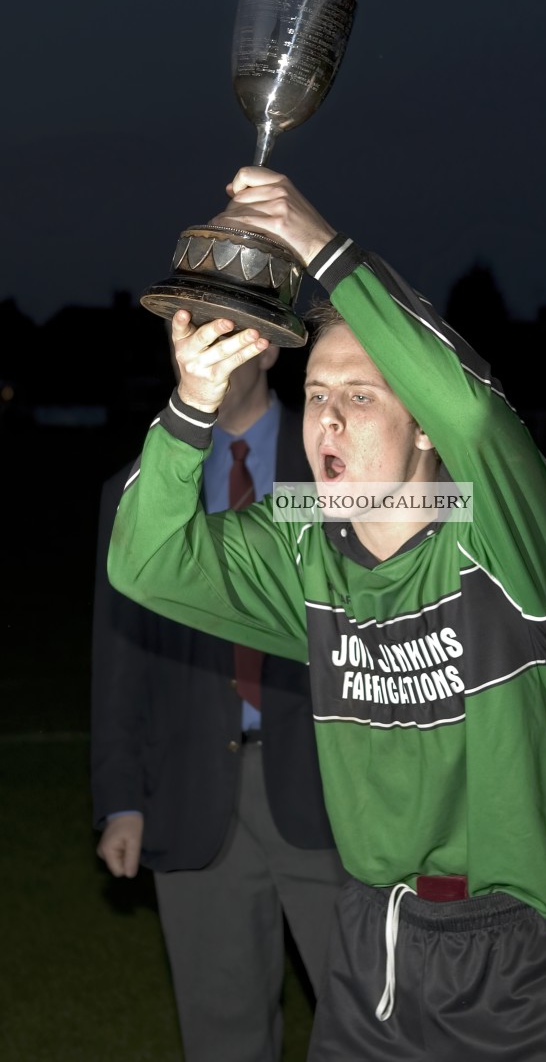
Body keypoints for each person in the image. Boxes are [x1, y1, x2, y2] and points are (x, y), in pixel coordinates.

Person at [107, 165, 546, 1062]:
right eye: (315, 397)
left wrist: (323, 248)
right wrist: (192, 409)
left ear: (419, 421)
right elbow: (145, 565)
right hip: (373, 945)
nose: (327, 423)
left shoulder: (500, 535)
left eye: (359, 397)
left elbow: (470, 411)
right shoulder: (299, 542)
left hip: (530, 951)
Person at [91, 335, 346, 1062]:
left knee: (373, 1024)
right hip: (192, 796)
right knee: (219, 1032)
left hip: (334, 797)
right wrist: (122, 800)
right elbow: (118, 656)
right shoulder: (139, 491)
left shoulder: (343, 474)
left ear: (269, 352)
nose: (199, 358)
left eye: (225, 339)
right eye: (186, 341)